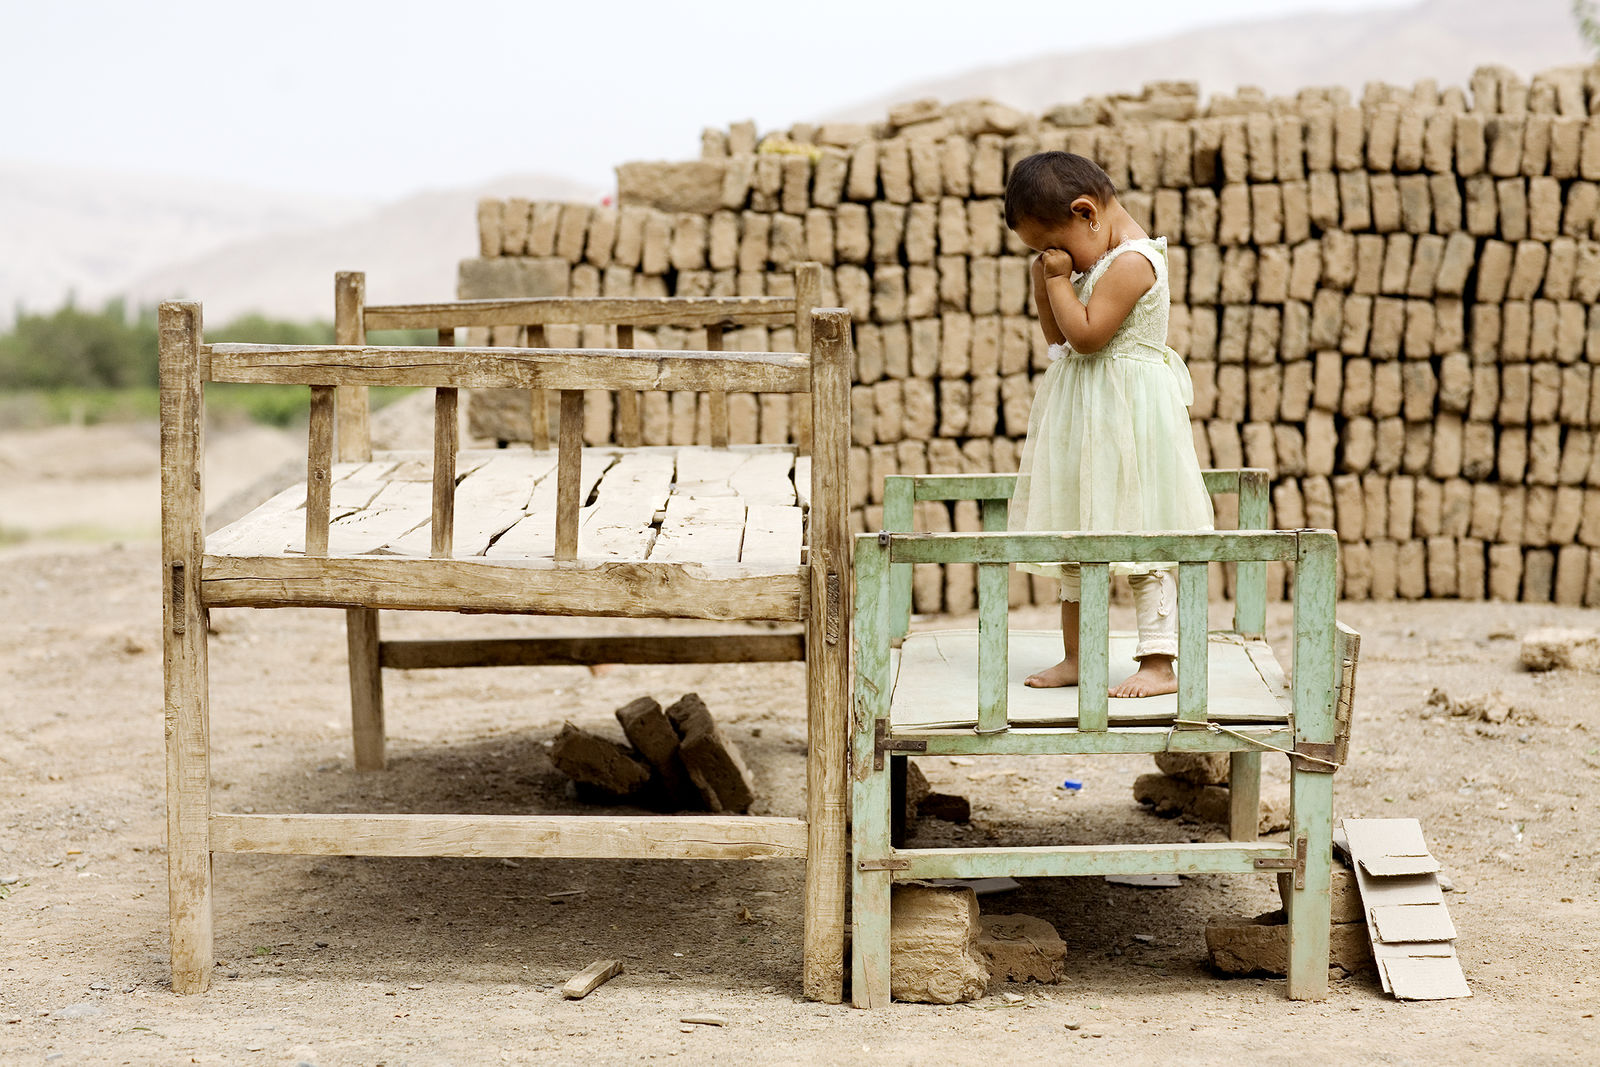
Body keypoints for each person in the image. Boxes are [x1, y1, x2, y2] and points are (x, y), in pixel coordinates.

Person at [1004, 151, 1214, 698]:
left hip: (1132, 419)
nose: (1055, 259)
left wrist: (1057, 285)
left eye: (1056, 246)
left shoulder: (1133, 262)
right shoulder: (1093, 256)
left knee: (1142, 538)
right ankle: (1079, 656)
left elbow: (1090, 336)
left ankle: (1159, 663)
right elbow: (1058, 341)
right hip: (1088, 420)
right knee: (1079, 537)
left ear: (1087, 214)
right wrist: (1045, 282)